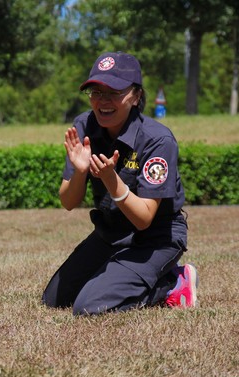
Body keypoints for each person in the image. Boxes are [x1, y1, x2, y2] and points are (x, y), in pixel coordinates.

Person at [41, 52, 198, 315]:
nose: (103, 101)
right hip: (110, 233)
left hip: (155, 239)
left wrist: (112, 181)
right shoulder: (84, 125)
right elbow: (68, 202)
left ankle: (172, 284)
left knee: (88, 307)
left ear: (136, 96)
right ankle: (124, 274)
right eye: (96, 92)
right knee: (55, 299)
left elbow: (144, 219)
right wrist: (80, 172)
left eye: (114, 92)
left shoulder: (158, 140)